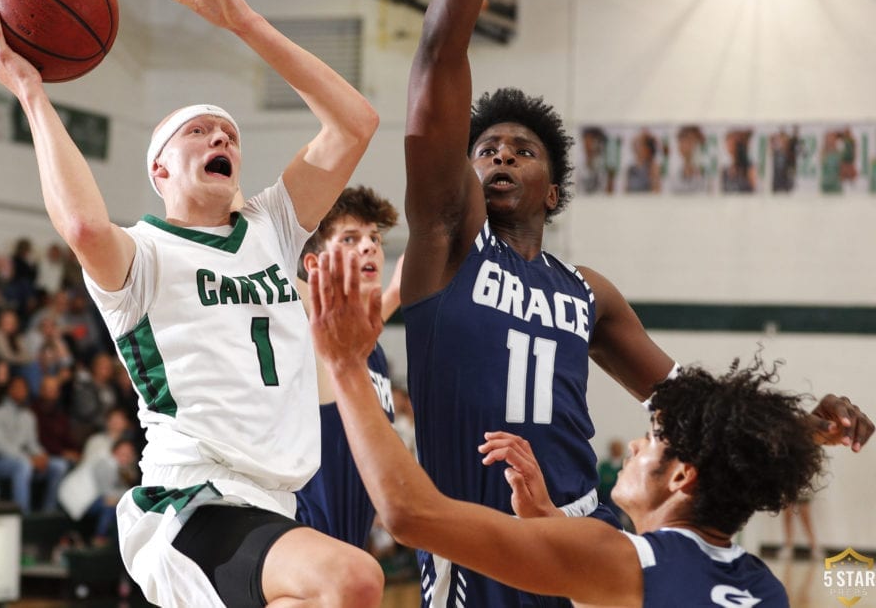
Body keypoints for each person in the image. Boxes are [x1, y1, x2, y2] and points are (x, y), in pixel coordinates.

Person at [397, 0, 873, 606]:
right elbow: (440, 54)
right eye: (487, 148)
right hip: (477, 538)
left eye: (522, 150)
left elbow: (694, 410)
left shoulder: (586, 291)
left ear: (554, 191)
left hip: (585, 532)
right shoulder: (447, 245)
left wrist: (803, 424)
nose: (499, 155)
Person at [0, 0, 383, 606]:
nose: (222, 137)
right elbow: (80, 224)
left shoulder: (270, 227)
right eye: (200, 131)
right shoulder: (143, 255)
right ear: (160, 166)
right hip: (189, 503)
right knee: (353, 578)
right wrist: (32, 95)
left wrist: (245, 23)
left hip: (270, 506)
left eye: (230, 134)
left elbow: (354, 123)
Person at [307, 247, 870, 608]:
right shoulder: (762, 585)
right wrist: (551, 520)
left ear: (681, 479)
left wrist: (344, 366)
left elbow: (411, 515)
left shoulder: (627, 558)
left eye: (656, 442)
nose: (640, 443)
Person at [294, 186, 400, 550]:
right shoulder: (300, 321)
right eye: (350, 239)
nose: (369, 246)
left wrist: (397, 293)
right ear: (314, 266)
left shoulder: (373, 353)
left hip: (350, 545)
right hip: (299, 539)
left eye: (375, 238)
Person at [0, 376, 69, 514]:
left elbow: (32, 443)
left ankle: (48, 511)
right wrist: (30, 459)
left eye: (24, 389)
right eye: (18, 388)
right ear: (9, 390)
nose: (21, 391)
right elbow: (0, 447)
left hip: (21, 459)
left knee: (59, 465)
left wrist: (41, 455)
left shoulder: (29, 416)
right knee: (23, 465)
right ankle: (22, 514)